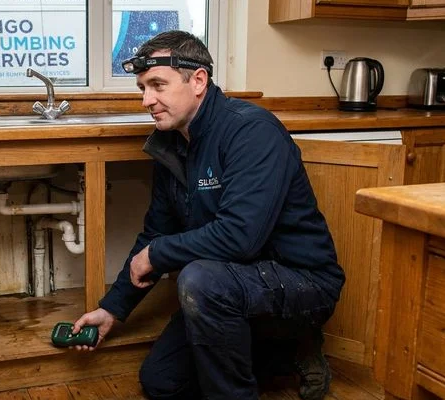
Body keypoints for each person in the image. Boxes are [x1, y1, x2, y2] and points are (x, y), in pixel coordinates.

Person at [70, 30, 345, 400]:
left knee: (200, 280)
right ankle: (282, 355)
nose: (146, 100)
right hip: (230, 286)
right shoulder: (172, 144)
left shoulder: (251, 131)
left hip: (299, 281)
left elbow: (239, 237)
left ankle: (295, 338)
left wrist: (156, 254)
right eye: (142, 88)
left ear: (198, 80)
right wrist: (112, 309)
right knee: (161, 381)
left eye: (157, 85)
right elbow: (155, 232)